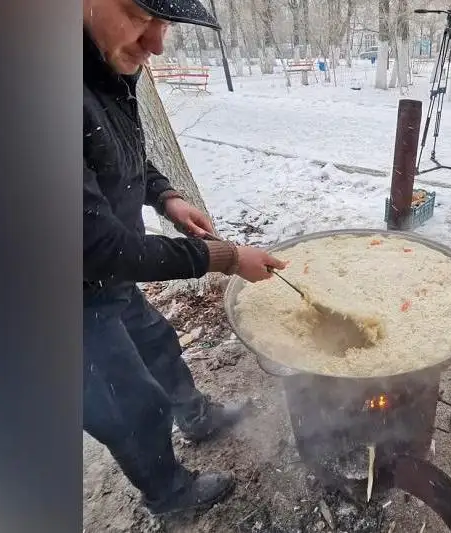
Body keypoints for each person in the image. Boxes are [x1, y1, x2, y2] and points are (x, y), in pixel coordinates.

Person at [83, 0, 287, 516]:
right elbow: (94, 244)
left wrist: (165, 196)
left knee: (156, 342)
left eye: (164, 23)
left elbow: (111, 148)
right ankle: (171, 497)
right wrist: (225, 256)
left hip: (108, 276)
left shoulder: (98, 63)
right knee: (127, 403)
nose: (155, 44)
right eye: (138, 15)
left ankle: (194, 416)